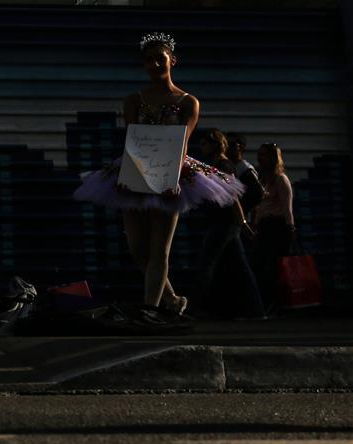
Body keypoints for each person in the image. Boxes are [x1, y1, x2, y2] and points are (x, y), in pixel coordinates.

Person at [73, 33, 243, 313]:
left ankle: (150, 310)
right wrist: (127, 176)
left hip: (170, 168)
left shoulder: (188, 102)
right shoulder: (134, 100)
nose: (154, 64)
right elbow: (132, 139)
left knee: (159, 249)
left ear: (172, 60)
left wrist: (172, 178)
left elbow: (182, 143)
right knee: (138, 249)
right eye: (148, 60)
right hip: (137, 166)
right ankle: (171, 299)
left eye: (160, 59)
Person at [194, 129, 265, 319]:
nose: (202, 148)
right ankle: (256, 309)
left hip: (224, 223)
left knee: (206, 263)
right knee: (241, 266)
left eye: (204, 144)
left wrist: (242, 222)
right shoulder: (217, 165)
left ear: (215, 145)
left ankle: (199, 307)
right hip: (225, 223)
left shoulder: (224, 166)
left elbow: (233, 197)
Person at [251, 142, 296, 309]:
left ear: (272, 158)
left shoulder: (280, 179)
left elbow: (287, 207)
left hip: (276, 226)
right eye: (259, 154)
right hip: (264, 226)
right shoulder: (263, 179)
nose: (259, 158)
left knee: (273, 266)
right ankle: (266, 300)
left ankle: (275, 302)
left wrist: (290, 228)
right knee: (260, 264)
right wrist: (255, 223)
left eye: (263, 155)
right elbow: (260, 206)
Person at [226, 132, 265, 221]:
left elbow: (257, 195)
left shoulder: (246, 169)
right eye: (226, 144)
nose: (228, 147)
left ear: (241, 147)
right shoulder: (228, 166)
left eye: (232, 144)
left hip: (240, 220)